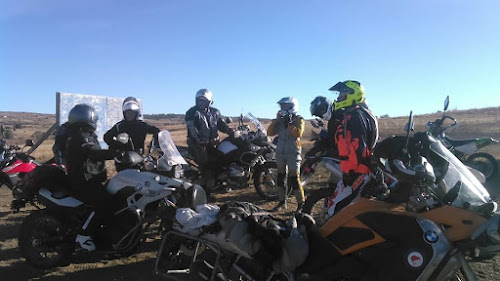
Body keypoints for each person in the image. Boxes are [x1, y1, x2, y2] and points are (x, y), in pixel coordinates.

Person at [65, 104, 117, 251]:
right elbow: (93, 153)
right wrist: (115, 154)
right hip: (83, 181)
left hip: (88, 179)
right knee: (104, 202)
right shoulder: (81, 136)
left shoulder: (82, 134)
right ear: (89, 118)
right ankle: (83, 235)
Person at [326, 80, 379, 216]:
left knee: (337, 212)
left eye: (342, 94)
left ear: (352, 94)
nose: (338, 98)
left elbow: (358, 146)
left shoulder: (356, 116)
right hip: (355, 171)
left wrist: (351, 174)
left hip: (358, 172)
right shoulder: (356, 114)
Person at [185, 89, 232, 195]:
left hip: (213, 143)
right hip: (197, 144)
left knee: (221, 159)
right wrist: (199, 142)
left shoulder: (215, 112)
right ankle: (208, 190)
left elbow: (220, 124)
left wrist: (230, 131)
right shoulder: (192, 112)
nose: (200, 103)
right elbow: (192, 129)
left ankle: (221, 183)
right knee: (205, 164)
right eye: (199, 100)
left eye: (203, 100)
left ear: (209, 101)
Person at [267, 97, 305, 212]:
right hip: (280, 151)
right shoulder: (280, 120)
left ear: (292, 106)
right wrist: (276, 121)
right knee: (280, 177)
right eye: (282, 106)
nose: (283, 108)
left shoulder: (299, 119)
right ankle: (282, 202)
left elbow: (298, 133)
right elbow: (270, 132)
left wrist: (290, 123)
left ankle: (301, 204)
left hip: (293, 151)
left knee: (294, 178)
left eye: (286, 106)